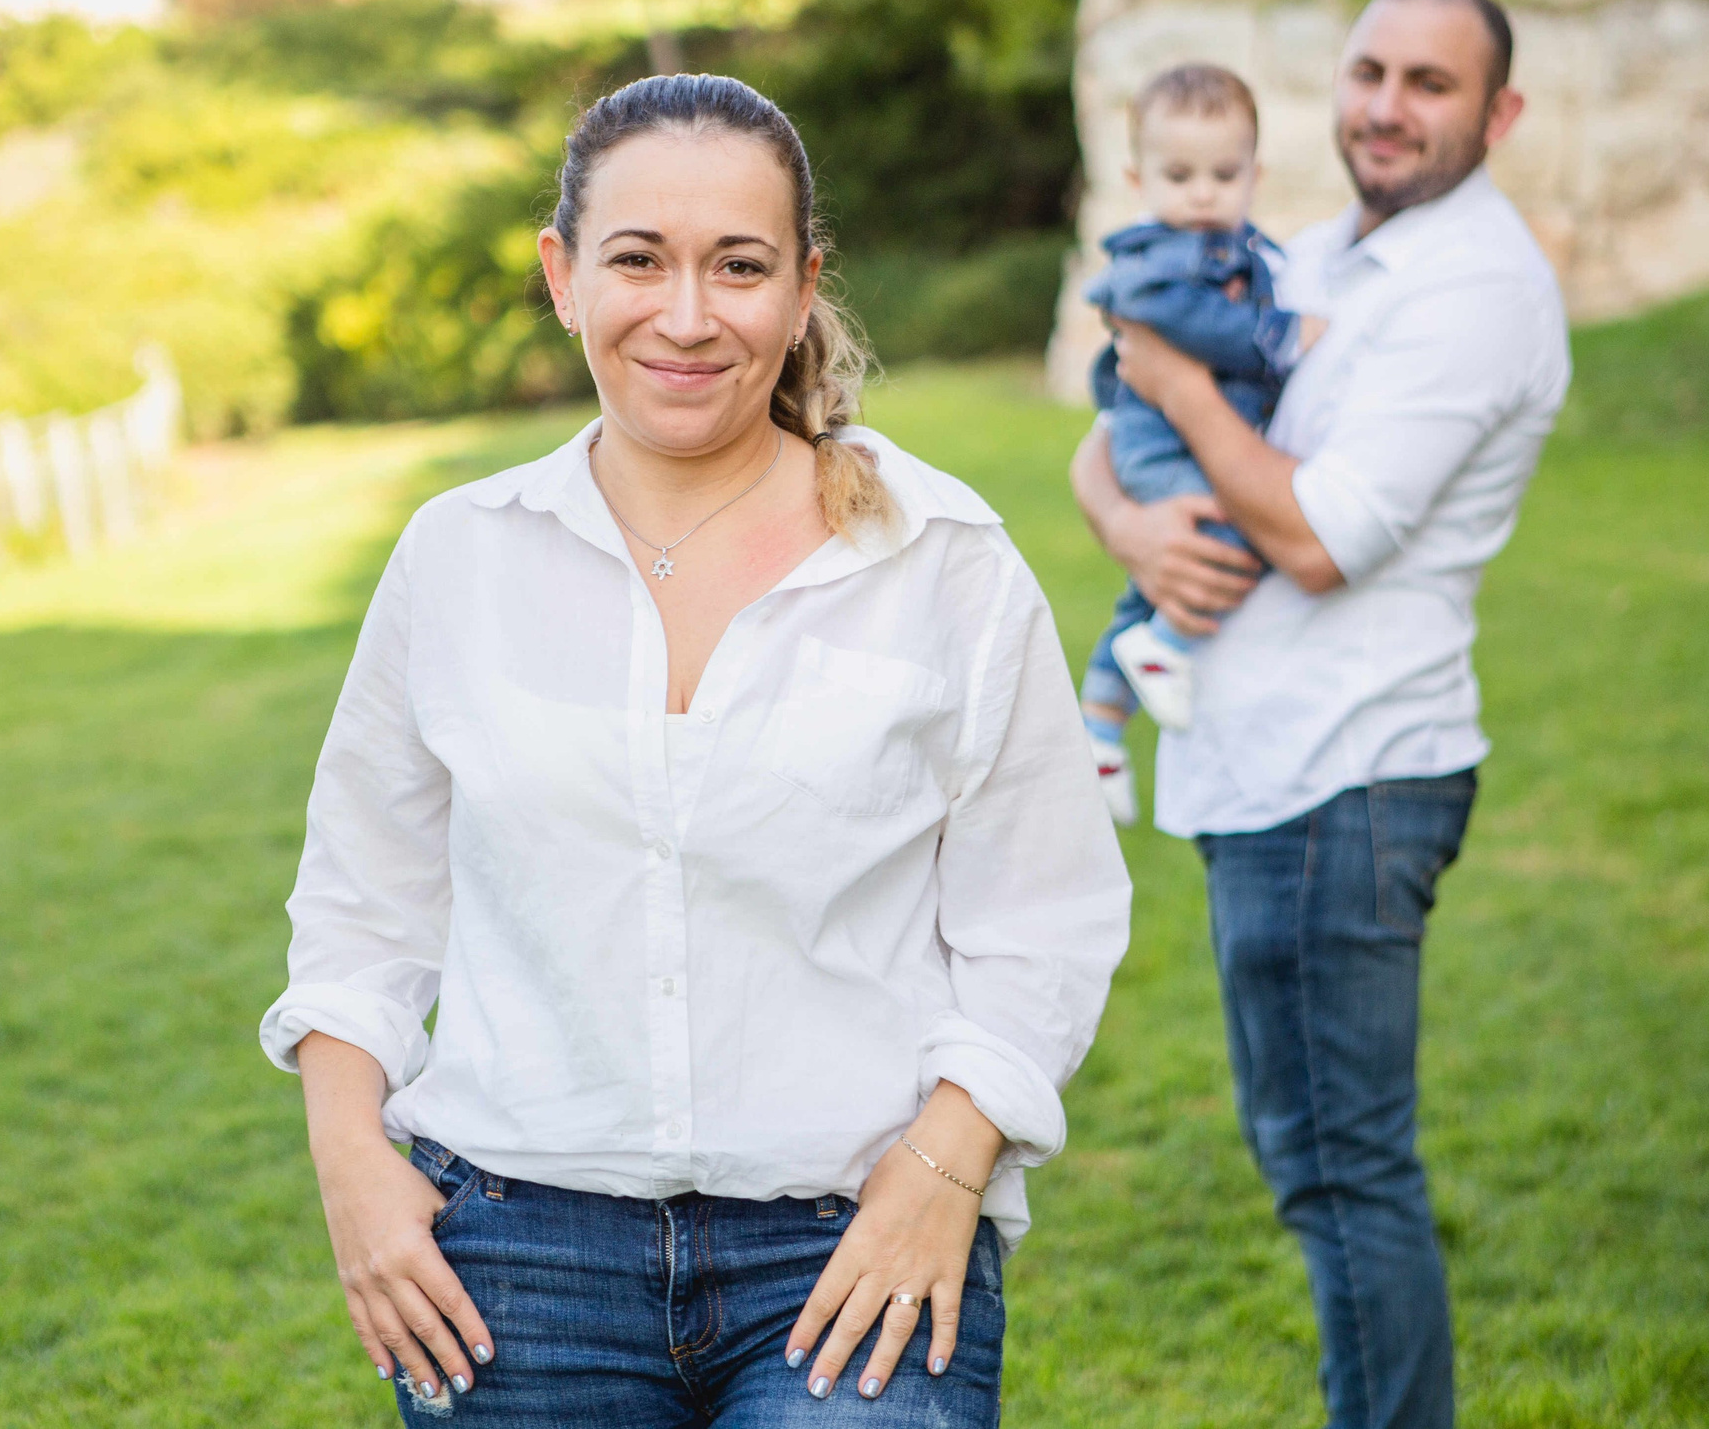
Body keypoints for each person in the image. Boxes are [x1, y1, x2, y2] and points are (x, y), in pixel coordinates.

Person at [262, 73, 1130, 1427]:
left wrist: (944, 1169)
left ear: (802, 287)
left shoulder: (940, 559)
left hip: (852, 1238)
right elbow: (362, 901)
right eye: (636, 259)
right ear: (562, 275)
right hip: (514, 1259)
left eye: (737, 265)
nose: (686, 313)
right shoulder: (459, 556)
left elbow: (1047, 912)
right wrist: (352, 1169)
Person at [1071, 0, 1570, 1429]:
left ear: (1500, 113)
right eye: (1369, 71)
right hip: (1267, 768)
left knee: (1345, 1177)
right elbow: (1115, 447)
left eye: (1431, 81)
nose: (1387, 106)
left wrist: (1159, 364)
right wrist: (1126, 524)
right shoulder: (1319, 253)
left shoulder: (1474, 287)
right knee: (1322, 1169)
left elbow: (1316, 534)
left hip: (1343, 778)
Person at [1077, 61, 1317, 826]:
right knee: (1230, 533)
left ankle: (1101, 722)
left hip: (1175, 435)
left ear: (1256, 171)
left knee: (1161, 575)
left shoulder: (1251, 251)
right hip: (1154, 441)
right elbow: (1187, 325)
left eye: (1225, 172)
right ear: (1136, 176)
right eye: (1179, 175)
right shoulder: (1158, 262)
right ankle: (1166, 648)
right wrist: (1279, 337)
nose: (1204, 193)